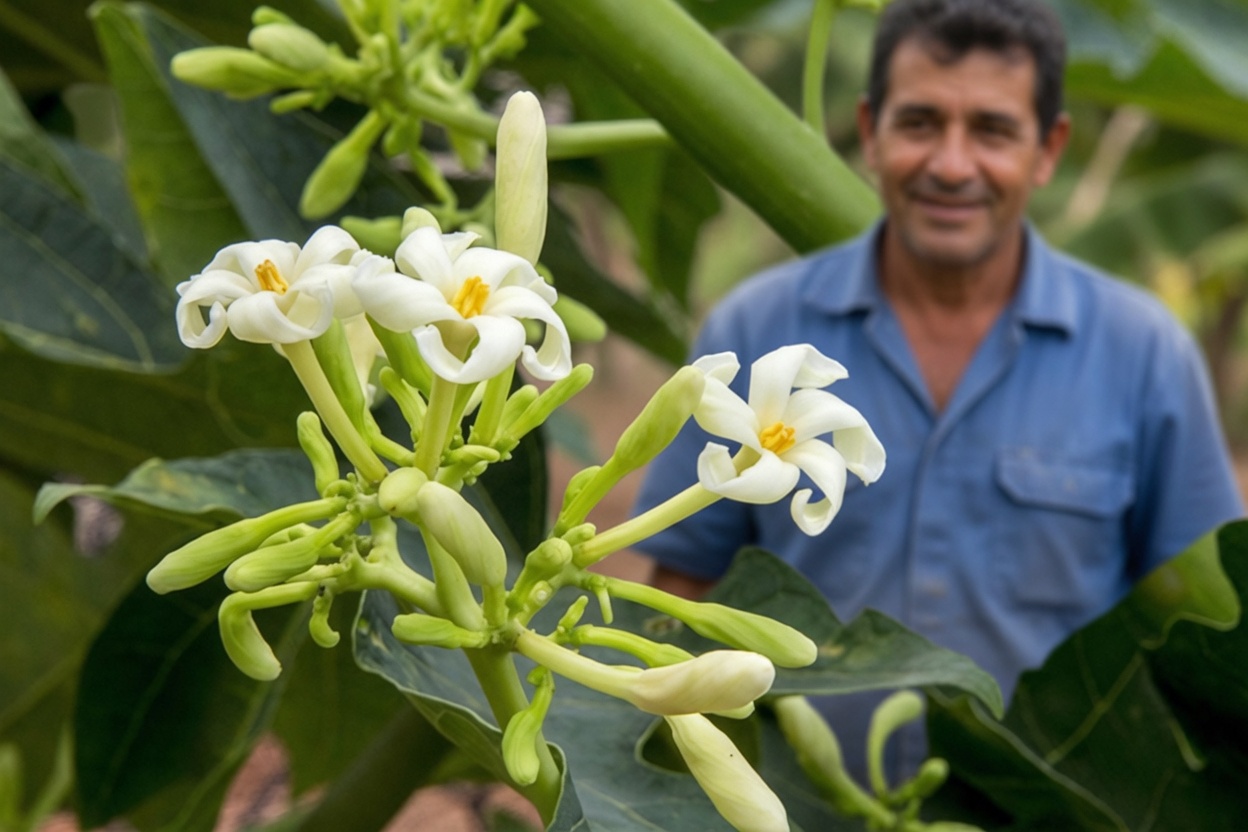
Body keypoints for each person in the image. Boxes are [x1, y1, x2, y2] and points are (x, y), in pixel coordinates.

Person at [630, 0, 1244, 780]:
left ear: (1048, 148)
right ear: (872, 130)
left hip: (1052, 807)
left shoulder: (1144, 352)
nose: (952, 164)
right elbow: (684, 594)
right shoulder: (759, 328)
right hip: (800, 803)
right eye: (920, 122)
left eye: (992, 130)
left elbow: (1204, 627)